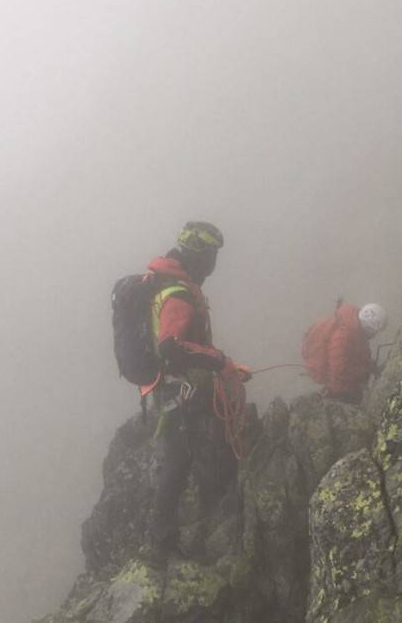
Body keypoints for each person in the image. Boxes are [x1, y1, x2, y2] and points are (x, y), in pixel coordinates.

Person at [144, 221, 250, 564]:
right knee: (177, 461)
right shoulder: (178, 294)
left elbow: (189, 344)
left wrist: (225, 364)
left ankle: (177, 534)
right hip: (177, 390)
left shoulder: (178, 286)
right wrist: (220, 361)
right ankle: (163, 545)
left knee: (187, 455)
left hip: (179, 386)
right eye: (212, 255)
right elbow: (171, 347)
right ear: (198, 256)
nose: (214, 263)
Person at [302, 301, 387, 404]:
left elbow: (355, 356)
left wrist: (368, 365)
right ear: (368, 327)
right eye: (374, 331)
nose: (374, 335)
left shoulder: (356, 331)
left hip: (349, 386)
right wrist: (365, 369)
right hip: (340, 391)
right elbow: (339, 371)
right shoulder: (342, 337)